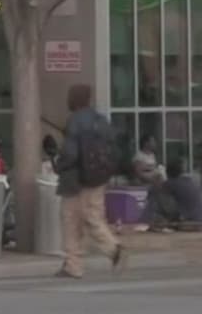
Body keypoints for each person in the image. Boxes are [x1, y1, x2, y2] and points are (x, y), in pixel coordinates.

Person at [55, 84, 126, 279]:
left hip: (75, 180)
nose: (67, 100)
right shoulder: (101, 120)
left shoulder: (74, 121)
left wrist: (59, 165)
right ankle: (112, 249)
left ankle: (75, 265)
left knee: (71, 221)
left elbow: (70, 153)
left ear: (76, 99)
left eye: (70, 96)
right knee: (94, 217)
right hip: (98, 178)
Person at [146, 159, 202, 231]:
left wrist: (156, 180)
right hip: (199, 218)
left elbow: (157, 189)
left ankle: (157, 219)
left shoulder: (171, 183)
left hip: (185, 220)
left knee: (157, 192)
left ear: (167, 172)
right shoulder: (190, 180)